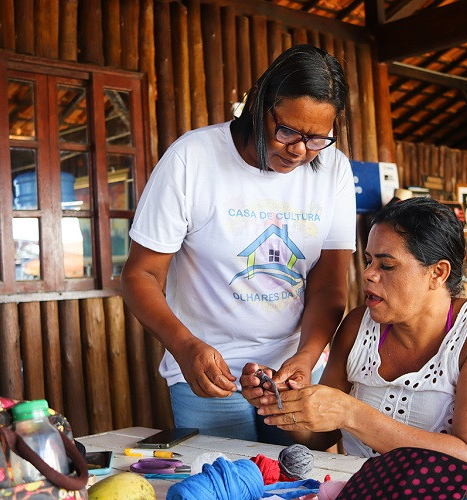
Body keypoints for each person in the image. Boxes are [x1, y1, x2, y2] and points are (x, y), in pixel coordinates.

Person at [121, 44, 356, 443]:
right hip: (210, 374)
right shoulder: (191, 159)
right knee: (222, 482)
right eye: (287, 132)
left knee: (298, 477)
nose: (299, 151)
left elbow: (330, 285)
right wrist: (184, 346)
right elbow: (139, 275)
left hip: (294, 372)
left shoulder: (332, 169)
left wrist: (307, 356)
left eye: (317, 138)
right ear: (259, 104)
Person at [242, 198, 467, 477]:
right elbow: (320, 437)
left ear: (437, 273)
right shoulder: (357, 326)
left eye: (386, 265)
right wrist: (283, 401)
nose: (368, 274)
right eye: (368, 261)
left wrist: (351, 413)